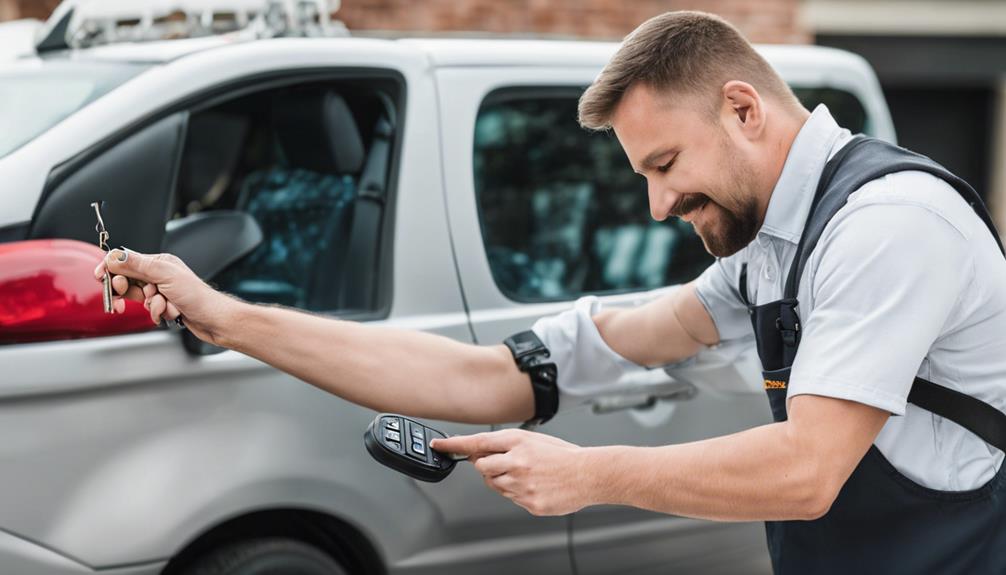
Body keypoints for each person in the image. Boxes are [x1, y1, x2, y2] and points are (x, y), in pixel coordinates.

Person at [94, 11, 1006, 574]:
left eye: (664, 164)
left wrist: (588, 473)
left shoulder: (887, 226)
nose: (656, 205)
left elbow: (805, 472)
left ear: (742, 107)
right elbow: (499, 375)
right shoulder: (765, 256)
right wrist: (223, 314)